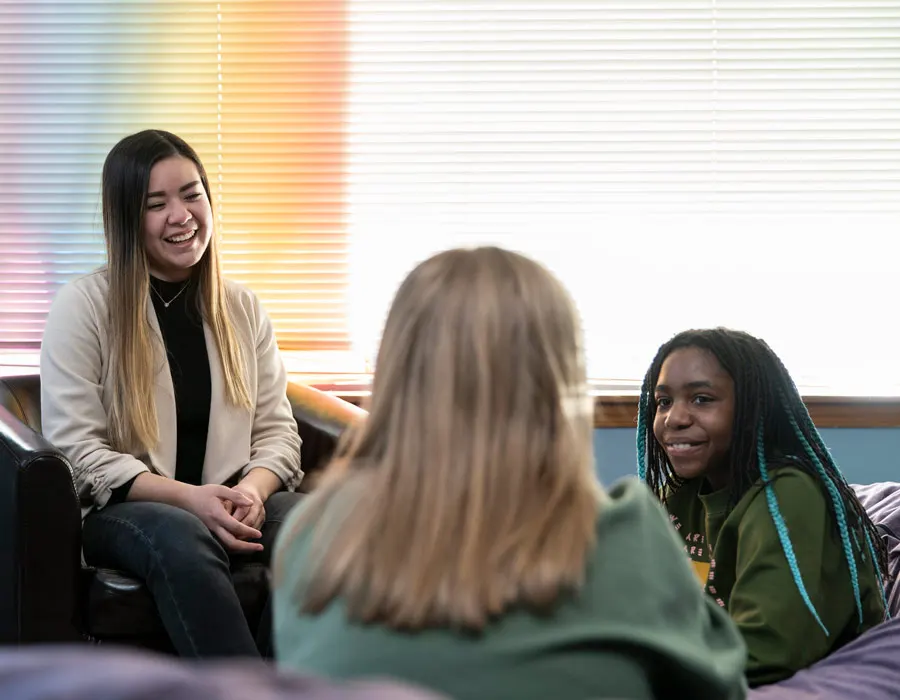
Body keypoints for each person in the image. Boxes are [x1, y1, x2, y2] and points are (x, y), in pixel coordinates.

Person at [272, 247, 748, 700]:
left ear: (398, 376)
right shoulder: (627, 535)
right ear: (560, 384)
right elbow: (722, 687)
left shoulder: (311, 536)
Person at [40, 129, 304, 658]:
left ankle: (289, 684)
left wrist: (252, 492)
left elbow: (278, 432)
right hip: (128, 510)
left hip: (232, 497)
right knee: (183, 535)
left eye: (191, 194)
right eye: (155, 204)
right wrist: (190, 499)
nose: (181, 215)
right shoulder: (84, 306)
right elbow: (80, 454)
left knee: (321, 527)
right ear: (126, 219)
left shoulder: (242, 307)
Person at [636, 328, 889, 687]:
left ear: (754, 409)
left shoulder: (788, 495)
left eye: (702, 399)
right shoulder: (678, 496)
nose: (674, 418)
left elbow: (767, 651)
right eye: (663, 401)